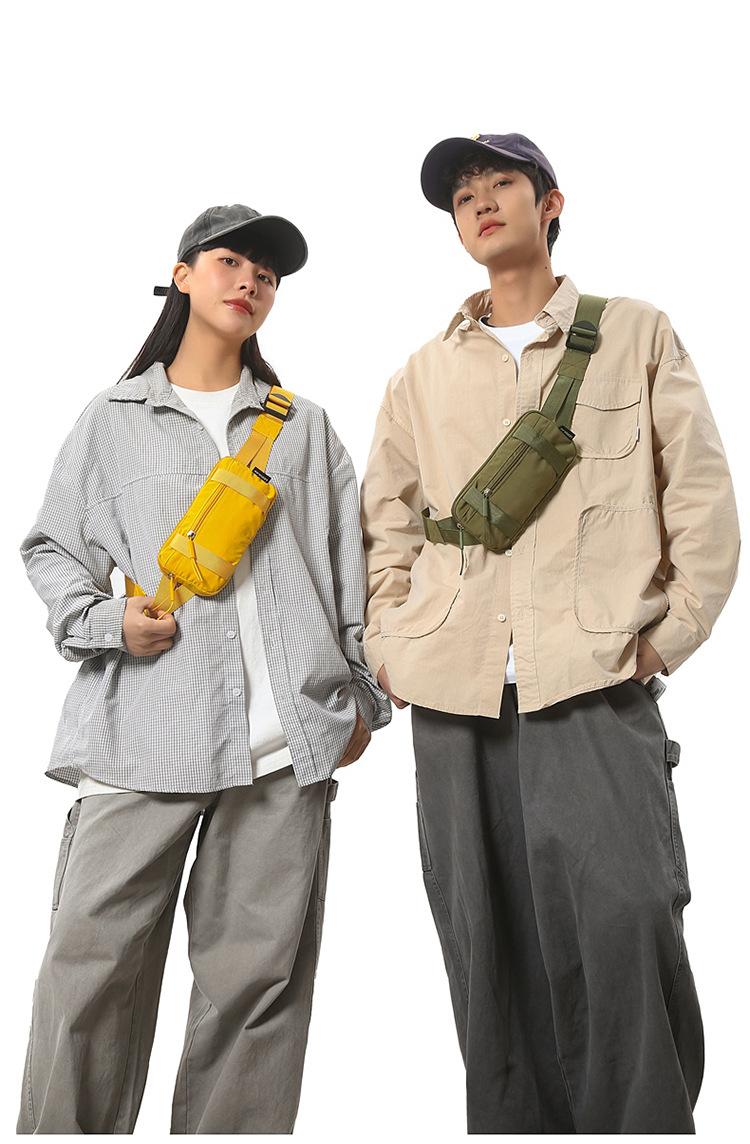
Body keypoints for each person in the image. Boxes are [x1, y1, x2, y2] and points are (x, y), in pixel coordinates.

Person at [359, 134, 740, 1133]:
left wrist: (666, 638)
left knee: (628, 916)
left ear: (551, 203)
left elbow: (702, 500)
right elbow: (386, 523)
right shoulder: (419, 375)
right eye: (463, 196)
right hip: (454, 694)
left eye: (502, 184)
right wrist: (390, 644)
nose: (481, 203)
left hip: (594, 678)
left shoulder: (635, 332)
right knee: (486, 944)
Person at [17, 202, 391, 1134]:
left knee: (256, 994)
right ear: (182, 276)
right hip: (144, 732)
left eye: (267, 274)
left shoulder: (304, 429)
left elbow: (351, 571)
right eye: (230, 262)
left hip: (284, 749)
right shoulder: (113, 420)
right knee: (88, 977)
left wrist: (362, 701)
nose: (249, 282)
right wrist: (104, 620)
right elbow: (52, 547)